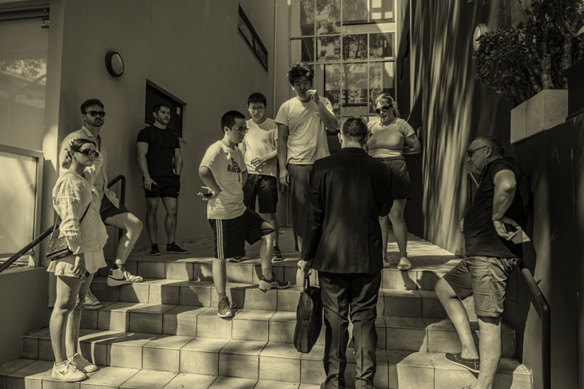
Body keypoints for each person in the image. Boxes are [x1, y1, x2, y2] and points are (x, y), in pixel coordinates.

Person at [300, 118, 393, 389]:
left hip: (330, 255)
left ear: (341, 136)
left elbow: (314, 217)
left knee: (335, 319)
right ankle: (364, 382)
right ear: (366, 138)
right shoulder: (380, 169)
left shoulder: (321, 167)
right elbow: (384, 209)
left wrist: (306, 257)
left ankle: (334, 381)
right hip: (367, 254)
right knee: (364, 319)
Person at [434, 136, 527, 389]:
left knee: (488, 321)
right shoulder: (486, 173)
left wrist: (496, 216)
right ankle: (469, 353)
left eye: (471, 152)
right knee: (444, 289)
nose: (468, 158)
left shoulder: (500, 167)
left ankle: (482, 386)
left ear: (487, 150)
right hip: (479, 257)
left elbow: (507, 185)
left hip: (490, 258)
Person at [198, 111, 291, 318]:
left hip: (240, 209)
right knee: (221, 256)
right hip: (222, 213)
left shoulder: (238, 151)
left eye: (244, 129)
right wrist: (217, 190)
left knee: (268, 231)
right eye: (240, 129)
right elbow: (203, 171)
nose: (243, 132)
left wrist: (237, 185)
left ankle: (267, 277)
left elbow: (244, 172)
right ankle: (222, 299)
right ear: (227, 129)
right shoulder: (216, 149)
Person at [59, 99, 144, 310]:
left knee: (134, 225)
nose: (98, 116)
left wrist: (106, 190)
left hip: (102, 197)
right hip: (84, 198)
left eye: (101, 113)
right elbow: (65, 167)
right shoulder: (75, 139)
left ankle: (117, 271)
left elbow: (99, 170)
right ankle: (84, 292)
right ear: (84, 116)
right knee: (89, 242)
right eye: (93, 113)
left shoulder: (99, 139)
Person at [49, 138, 108, 382]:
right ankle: (59, 363)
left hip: (90, 248)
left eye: (94, 152)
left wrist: (94, 151)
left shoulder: (84, 178)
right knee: (63, 305)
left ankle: (73, 356)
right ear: (72, 154)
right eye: (86, 152)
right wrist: (78, 254)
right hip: (75, 252)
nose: (92, 156)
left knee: (78, 303)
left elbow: (98, 161)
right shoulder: (69, 181)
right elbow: (70, 220)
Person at [275, 62, 338, 252]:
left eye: (305, 82)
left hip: (322, 162)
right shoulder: (286, 107)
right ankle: (304, 254)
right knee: (301, 211)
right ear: (292, 85)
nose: (302, 87)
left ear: (311, 82)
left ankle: (323, 249)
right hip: (297, 164)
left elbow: (333, 127)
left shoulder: (323, 102)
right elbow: (281, 140)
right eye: (297, 83)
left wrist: (318, 103)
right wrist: (283, 168)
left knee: (324, 208)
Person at [367, 93, 420, 270]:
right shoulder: (371, 125)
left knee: (396, 215)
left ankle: (403, 257)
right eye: (378, 109)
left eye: (385, 108)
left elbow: (416, 147)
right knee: (379, 217)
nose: (381, 112)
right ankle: (381, 257)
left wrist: (398, 153)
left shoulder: (401, 124)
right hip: (375, 169)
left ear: (392, 107)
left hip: (396, 168)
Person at [137, 103, 189, 256]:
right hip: (152, 178)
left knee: (173, 210)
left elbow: (178, 157)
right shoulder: (146, 132)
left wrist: (177, 175)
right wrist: (146, 177)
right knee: (152, 210)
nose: (167, 115)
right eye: (163, 112)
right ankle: (154, 246)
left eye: (168, 113)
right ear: (155, 114)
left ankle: (171, 244)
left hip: (170, 178)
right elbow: (141, 156)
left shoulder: (173, 135)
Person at [239, 92, 282, 261]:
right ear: (248, 108)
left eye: (259, 108)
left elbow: (280, 149)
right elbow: (241, 148)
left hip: (267, 175)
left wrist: (264, 159)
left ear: (265, 108)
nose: (256, 111)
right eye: (253, 108)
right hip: (248, 175)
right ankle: (239, 249)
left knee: (269, 213)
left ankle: (275, 247)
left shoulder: (273, 125)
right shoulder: (244, 125)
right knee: (244, 212)